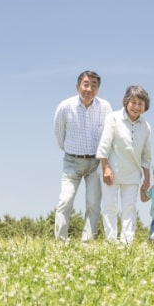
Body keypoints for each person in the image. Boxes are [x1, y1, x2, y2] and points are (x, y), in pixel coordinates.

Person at [53, 70, 113, 242]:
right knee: (65, 200)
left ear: (98, 88)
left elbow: (108, 135)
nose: (89, 88)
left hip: (96, 162)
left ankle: (87, 242)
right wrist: (70, 150)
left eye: (94, 85)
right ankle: (60, 242)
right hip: (72, 162)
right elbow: (59, 134)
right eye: (86, 84)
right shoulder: (65, 106)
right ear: (78, 86)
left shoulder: (105, 107)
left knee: (93, 203)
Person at [96, 85, 152, 244]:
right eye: (133, 102)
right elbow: (104, 145)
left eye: (141, 104)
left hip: (133, 174)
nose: (136, 107)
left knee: (129, 208)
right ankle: (111, 241)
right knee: (110, 207)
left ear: (145, 107)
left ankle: (127, 242)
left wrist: (147, 178)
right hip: (111, 172)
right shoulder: (113, 118)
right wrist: (105, 167)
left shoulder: (146, 127)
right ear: (126, 102)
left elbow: (146, 155)